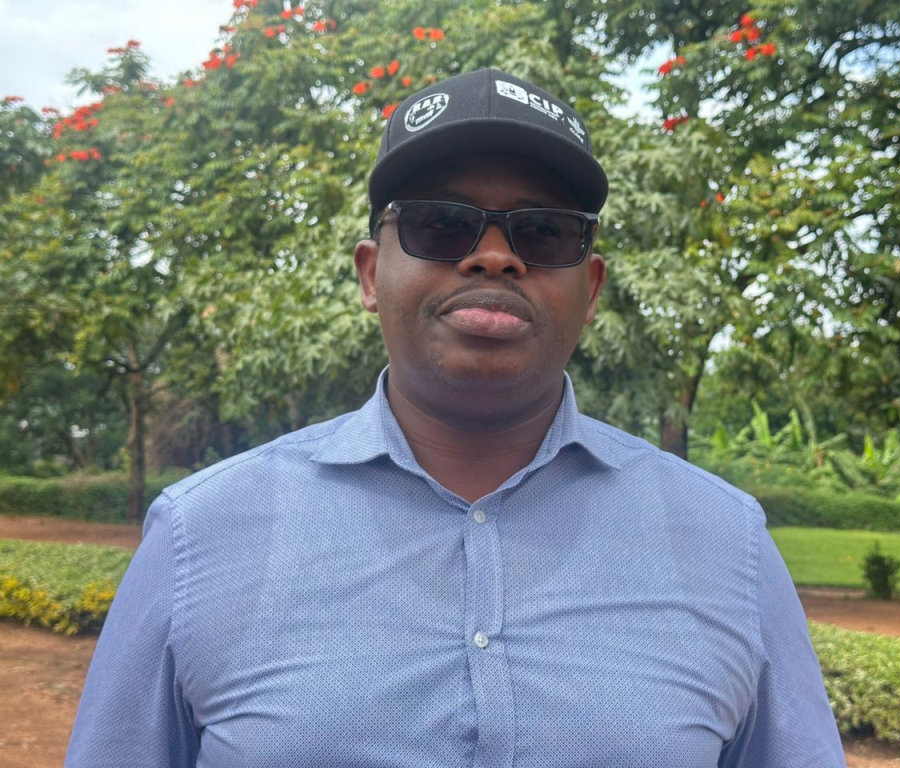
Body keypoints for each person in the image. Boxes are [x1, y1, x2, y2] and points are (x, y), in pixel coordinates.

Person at [66, 68, 846, 767]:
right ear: (371, 274)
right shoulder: (200, 536)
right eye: (442, 224)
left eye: (543, 231)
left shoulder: (726, 543)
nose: (495, 256)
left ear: (591, 290)